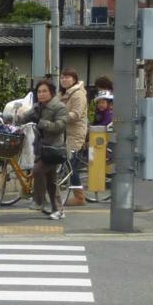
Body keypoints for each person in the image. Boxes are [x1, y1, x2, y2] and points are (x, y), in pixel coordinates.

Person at [9, 77, 70, 218]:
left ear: (51, 93)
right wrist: (10, 118)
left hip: (54, 148)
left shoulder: (59, 107)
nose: (41, 94)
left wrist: (41, 122)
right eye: (39, 91)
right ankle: (58, 210)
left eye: (44, 91)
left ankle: (38, 200)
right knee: (51, 180)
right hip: (42, 149)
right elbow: (23, 118)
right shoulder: (38, 106)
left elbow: (59, 127)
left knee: (37, 171)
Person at [59, 67, 89, 207]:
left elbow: (76, 114)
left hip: (75, 133)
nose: (64, 79)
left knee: (70, 165)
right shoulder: (63, 94)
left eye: (67, 77)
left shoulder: (78, 95)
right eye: (62, 77)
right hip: (63, 132)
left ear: (74, 79)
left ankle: (79, 197)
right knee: (65, 163)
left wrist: (59, 117)